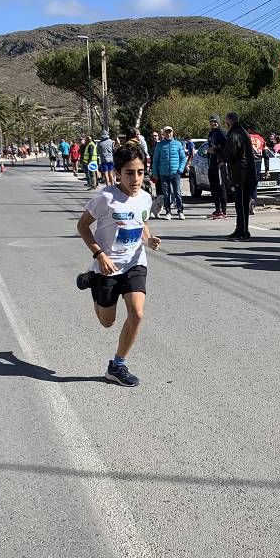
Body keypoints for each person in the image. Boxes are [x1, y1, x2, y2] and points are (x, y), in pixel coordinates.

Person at [74, 144, 162, 387]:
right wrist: (100, 254)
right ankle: (92, 281)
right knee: (107, 322)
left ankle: (117, 365)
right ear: (118, 172)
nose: (136, 179)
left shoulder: (145, 197)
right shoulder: (106, 199)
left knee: (137, 313)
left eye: (140, 172)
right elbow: (82, 226)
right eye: (129, 173)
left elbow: (141, 221)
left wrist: (149, 238)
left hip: (134, 263)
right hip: (107, 267)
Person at [222, 112, 256, 241]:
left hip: (242, 173)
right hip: (244, 172)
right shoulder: (241, 131)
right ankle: (239, 229)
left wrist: (219, 153)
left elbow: (230, 153)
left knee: (241, 203)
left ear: (229, 123)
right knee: (239, 203)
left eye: (226, 123)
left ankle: (243, 232)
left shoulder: (236, 134)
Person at [151, 126, 187, 220]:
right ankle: (168, 212)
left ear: (172, 132)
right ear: (163, 134)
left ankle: (180, 211)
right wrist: (155, 173)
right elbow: (155, 160)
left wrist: (180, 169)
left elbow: (183, 158)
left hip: (175, 173)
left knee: (177, 193)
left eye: (170, 132)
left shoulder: (178, 144)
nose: (168, 134)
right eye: (166, 132)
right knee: (166, 194)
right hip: (163, 173)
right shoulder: (160, 145)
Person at [206, 114, 228, 221]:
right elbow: (210, 147)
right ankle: (217, 209)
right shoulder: (211, 133)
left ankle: (224, 211)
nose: (213, 123)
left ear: (219, 122)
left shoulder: (221, 133)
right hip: (211, 164)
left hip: (220, 164)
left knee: (221, 187)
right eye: (212, 122)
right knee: (213, 188)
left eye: (215, 121)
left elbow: (227, 148)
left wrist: (220, 156)